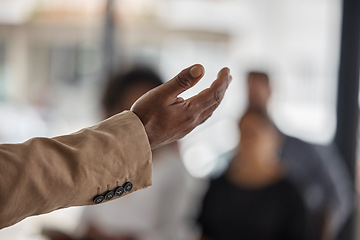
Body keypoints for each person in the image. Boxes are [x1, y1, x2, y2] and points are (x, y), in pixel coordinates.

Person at [0, 64, 232, 230]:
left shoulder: (174, 170)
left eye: (139, 114)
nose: (136, 122)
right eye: (130, 114)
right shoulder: (106, 169)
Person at [76, 67, 193, 240]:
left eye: (149, 115)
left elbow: (174, 231)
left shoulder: (173, 170)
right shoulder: (103, 163)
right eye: (133, 115)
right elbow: (86, 222)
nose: (141, 125)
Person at [246, 71, 352, 239]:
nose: (253, 102)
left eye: (257, 94)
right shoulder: (243, 159)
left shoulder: (305, 150)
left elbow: (340, 197)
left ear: (269, 93)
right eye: (249, 95)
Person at [197, 109, 308, 240]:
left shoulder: (288, 194)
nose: (247, 141)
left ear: (273, 140)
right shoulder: (218, 186)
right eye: (242, 133)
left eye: (253, 134)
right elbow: (205, 231)